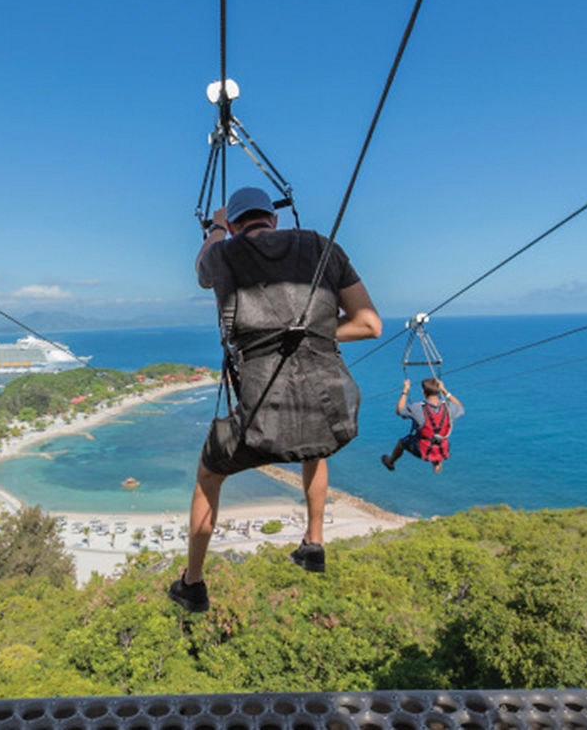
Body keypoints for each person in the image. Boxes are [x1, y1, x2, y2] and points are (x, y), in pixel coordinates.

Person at [169, 186, 381, 613]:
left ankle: (192, 582)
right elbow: (369, 324)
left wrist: (213, 226)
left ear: (233, 225)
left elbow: (200, 270)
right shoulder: (322, 246)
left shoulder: (222, 252)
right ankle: (314, 542)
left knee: (209, 475)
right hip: (334, 414)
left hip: (259, 427)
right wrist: (314, 331)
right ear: (275, 219)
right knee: (314, 442)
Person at [381, 377, 464, 474]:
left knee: (401, 443)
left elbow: (400, 411)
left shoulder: (418, 408)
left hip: (423, 450)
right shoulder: (448, 407)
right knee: (436, 435)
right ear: (438, 391)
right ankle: (436, 463)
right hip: (443, 449)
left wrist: (405, 391)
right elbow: (460, 407)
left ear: (423, 392)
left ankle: (390, 461)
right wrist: (445, 391)